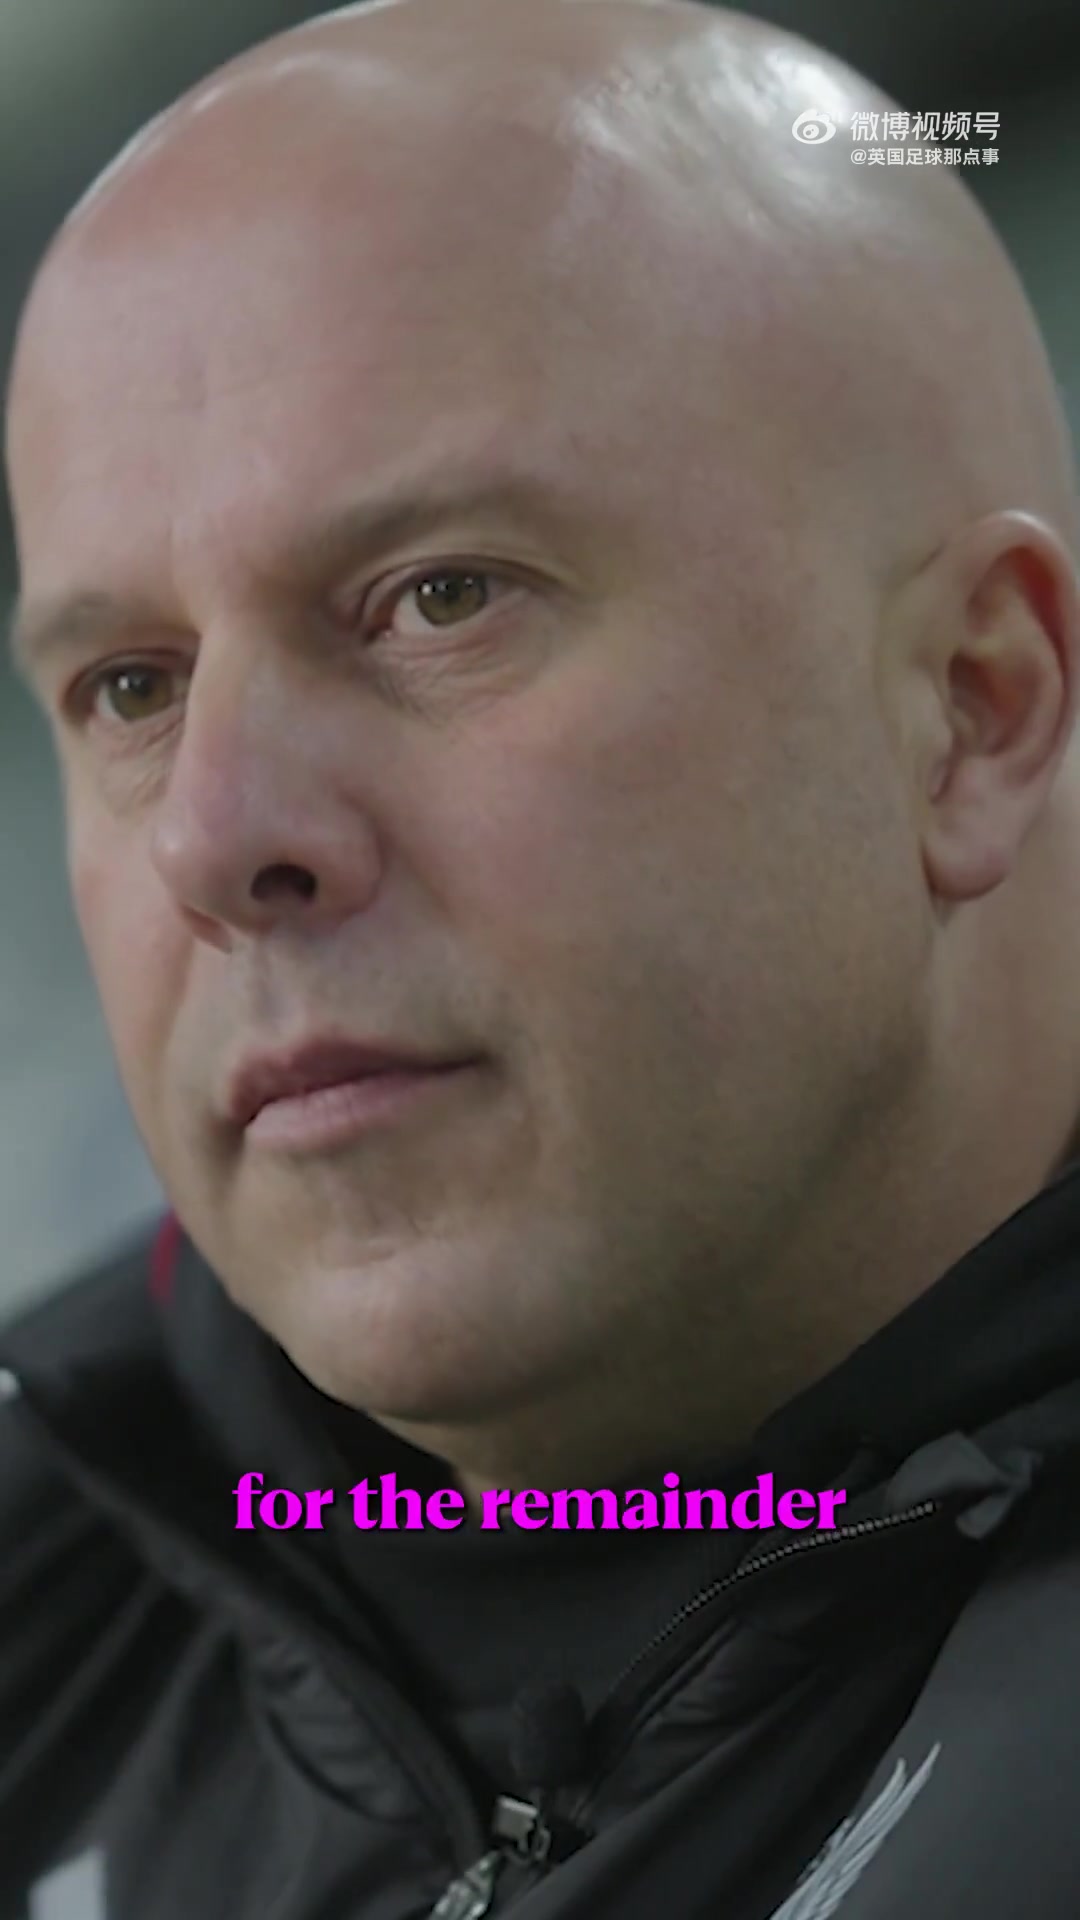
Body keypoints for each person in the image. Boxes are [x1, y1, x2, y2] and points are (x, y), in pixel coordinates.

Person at [3, 0, 1080, 1912]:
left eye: (439, 597)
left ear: (972, 708)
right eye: (132, 687)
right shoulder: (55, 1584)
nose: (215, 837)